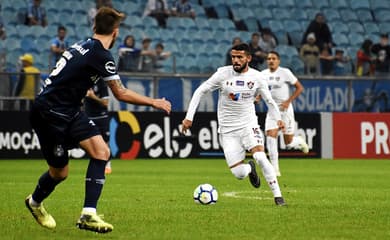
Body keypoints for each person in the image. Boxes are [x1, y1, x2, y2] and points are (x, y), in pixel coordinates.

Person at [25, 7, 171, 234]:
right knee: (59, 173)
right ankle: (34, 202)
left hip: (70, 110)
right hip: (49, 113)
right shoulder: (101, 55)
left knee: (102, 152)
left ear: (94, 27)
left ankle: (88, 214)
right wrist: (154, 102)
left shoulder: (81, 44)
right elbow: (121, 93)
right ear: (115, 32)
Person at [181, 43, 287, 206]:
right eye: (233, 57)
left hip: (249, 125)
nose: (236, 60)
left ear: (248, 58)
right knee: (239, 174)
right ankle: (250, 169)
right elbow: (200, 91)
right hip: (227, 131)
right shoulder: (222, 74)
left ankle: (278, 197)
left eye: (239, 57)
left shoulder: (257, 77)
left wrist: (278, 118)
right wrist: (189, 117)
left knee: (260, 156)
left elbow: (269, 101)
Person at [261, 51, 309, 177]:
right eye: (269, 58)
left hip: (285, 110)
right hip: (272, 110)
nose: (271, 60)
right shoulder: (262, 74)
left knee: (288, 142)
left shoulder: (285, 72)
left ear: (278, 60)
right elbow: (260, 90)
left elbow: (299, 88)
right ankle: (275, 169)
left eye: (273, 58)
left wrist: (288, 101)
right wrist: (257, 98)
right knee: (271, 136)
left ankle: (298, 141)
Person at [84, 78, 112, 174]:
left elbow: (105, 102)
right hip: (89, 117)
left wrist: (93, 96)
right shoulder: (84, 82)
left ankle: (108, 164)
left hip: (101, 117)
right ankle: (97, 164)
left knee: (105, 141)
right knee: (91, 142)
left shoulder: (101, 84)